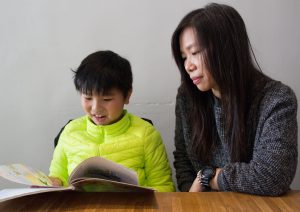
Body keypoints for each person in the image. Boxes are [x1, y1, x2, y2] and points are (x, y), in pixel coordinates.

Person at [171, 3, 298, 196]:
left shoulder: (276, 99)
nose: (188, 65)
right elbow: (183, 161)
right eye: (184, 56)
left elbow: (273, 176)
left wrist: (209, 176)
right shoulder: (187, 98)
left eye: (195, 52)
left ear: (226, 48)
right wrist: (193, 197)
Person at [49, 50, 175, 192]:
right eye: (88, 98)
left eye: (107, 99)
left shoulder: (147, 134)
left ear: (127, 95)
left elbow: (165, 188)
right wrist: (54, 183)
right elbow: (56, 178)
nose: (96, 108)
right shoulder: (70, 131)